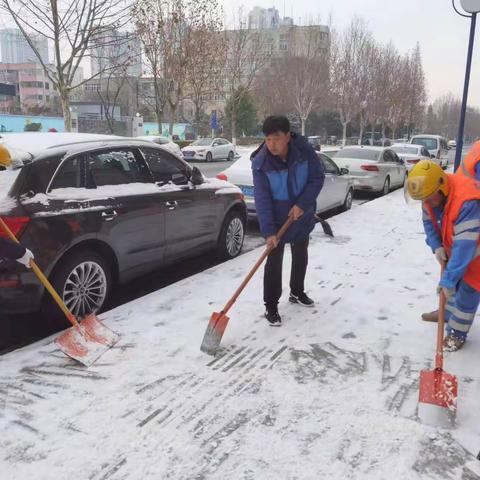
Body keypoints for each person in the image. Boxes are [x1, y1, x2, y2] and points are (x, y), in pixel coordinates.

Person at [251, 115, 325, 326]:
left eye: (276, 138)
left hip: (302, 214)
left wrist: (303, 204)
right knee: (274, 261)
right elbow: (262, 199)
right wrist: (269, 232)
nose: (272, 144)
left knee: (301, 254)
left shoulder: (304, 151)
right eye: (268, 139)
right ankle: (271, 306)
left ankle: (297, 291)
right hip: (276, 219)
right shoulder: (261, 164)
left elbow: (317, 178)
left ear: (288, 136)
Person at [406, 159, 480, 351]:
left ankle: (457, 333)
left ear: (443, 188)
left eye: (430, 198)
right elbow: (429, 222)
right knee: (453, 281)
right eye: (424, 199)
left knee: (468, 289)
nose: (427, 203)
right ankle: (447, 313)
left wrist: (448, 279)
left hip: (476, 248)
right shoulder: (429, 193)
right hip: (462, 245)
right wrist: (436, 245)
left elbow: (465, 246)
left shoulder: (467, 202)